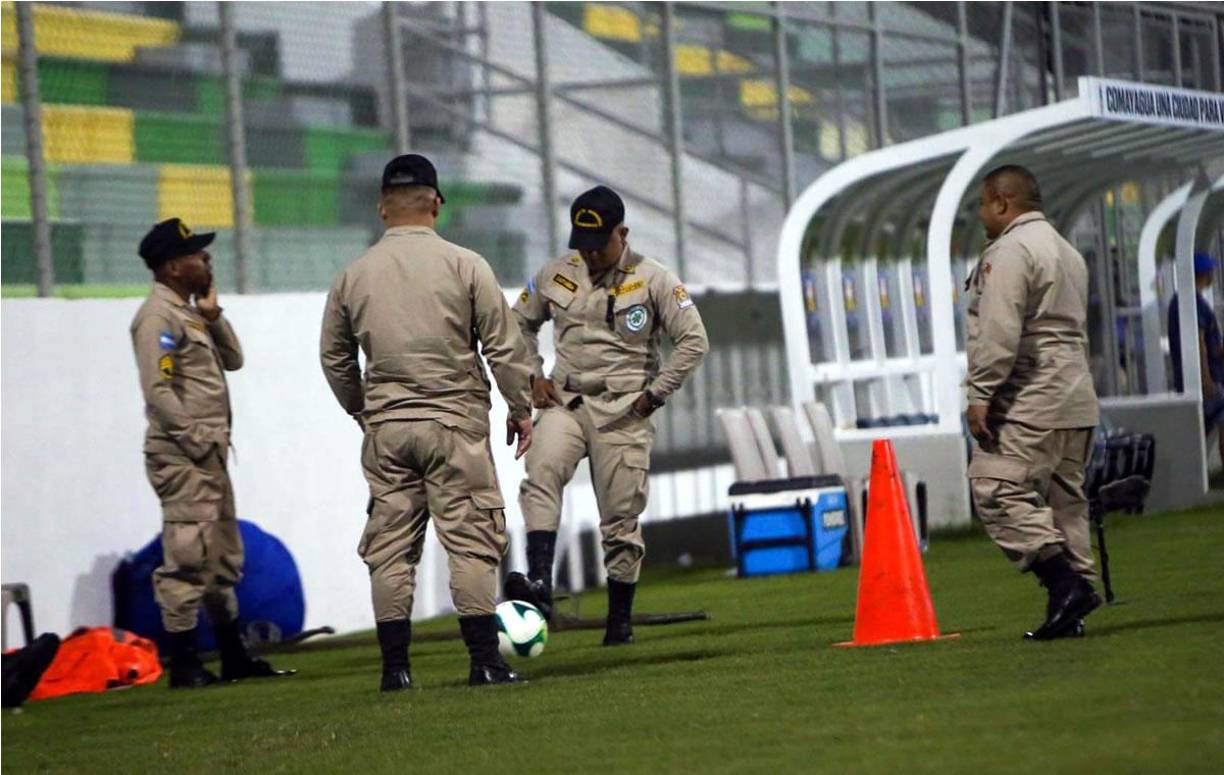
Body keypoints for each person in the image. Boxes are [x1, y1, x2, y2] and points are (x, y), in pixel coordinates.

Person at [320, 154, 535, 690]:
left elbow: (335, 357)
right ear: (436, 202)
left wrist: (362, 409)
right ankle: (484, 662)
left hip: (388, 429)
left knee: (390, 547)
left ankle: (395, 671)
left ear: (381, 208)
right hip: (454, 424)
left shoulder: (353, 275)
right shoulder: (466, 265)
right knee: (470, 541)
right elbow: (503, 348)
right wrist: (520, 408)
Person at [505, 185, 709, 645]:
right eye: (583, 245)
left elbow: (694, 341)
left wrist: (654, 396)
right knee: (541, 472)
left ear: (623, 233)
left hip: (624, 409)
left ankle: (619, 622)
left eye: (600, 245)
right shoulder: (556, 274)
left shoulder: (654, 279)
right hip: (566, 400)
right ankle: (540, 584)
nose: (591, 254)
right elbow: (516, 323)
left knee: (620, 519)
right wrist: (533, 375)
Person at [130, 218, 292, 688]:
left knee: (221, 558)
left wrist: (213, 315)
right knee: (186, 555)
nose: (207, 261)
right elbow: (157, 390)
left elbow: (234, 360)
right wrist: (196, 438)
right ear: (173, 267)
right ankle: (183, 664)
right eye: (198, 255)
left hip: (208, 456)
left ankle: (231, 654)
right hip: (184, 456)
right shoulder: (157, 319)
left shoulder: (189, 314)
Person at [965, 165, 1101, 641]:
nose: (981, 215)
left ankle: (1065, 586)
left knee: (994, 487)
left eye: (983, 205)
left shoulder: (1010, 251)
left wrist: (981, 392)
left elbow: (999, 331)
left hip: (1030, 395)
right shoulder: (1066, 250)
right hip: (1076, 395)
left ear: (1002, 203)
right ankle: (1072, 610)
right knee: (1066, 504)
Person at [1167, 251, 1224, 461]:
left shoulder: (1187, 299)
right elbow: (1197, 342)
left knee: (1205, 427)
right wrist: (1206, 379)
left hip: (1207, 375)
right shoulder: (1191, 303)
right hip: (1205, 379)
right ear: (1204, 274)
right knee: (1209, 424)